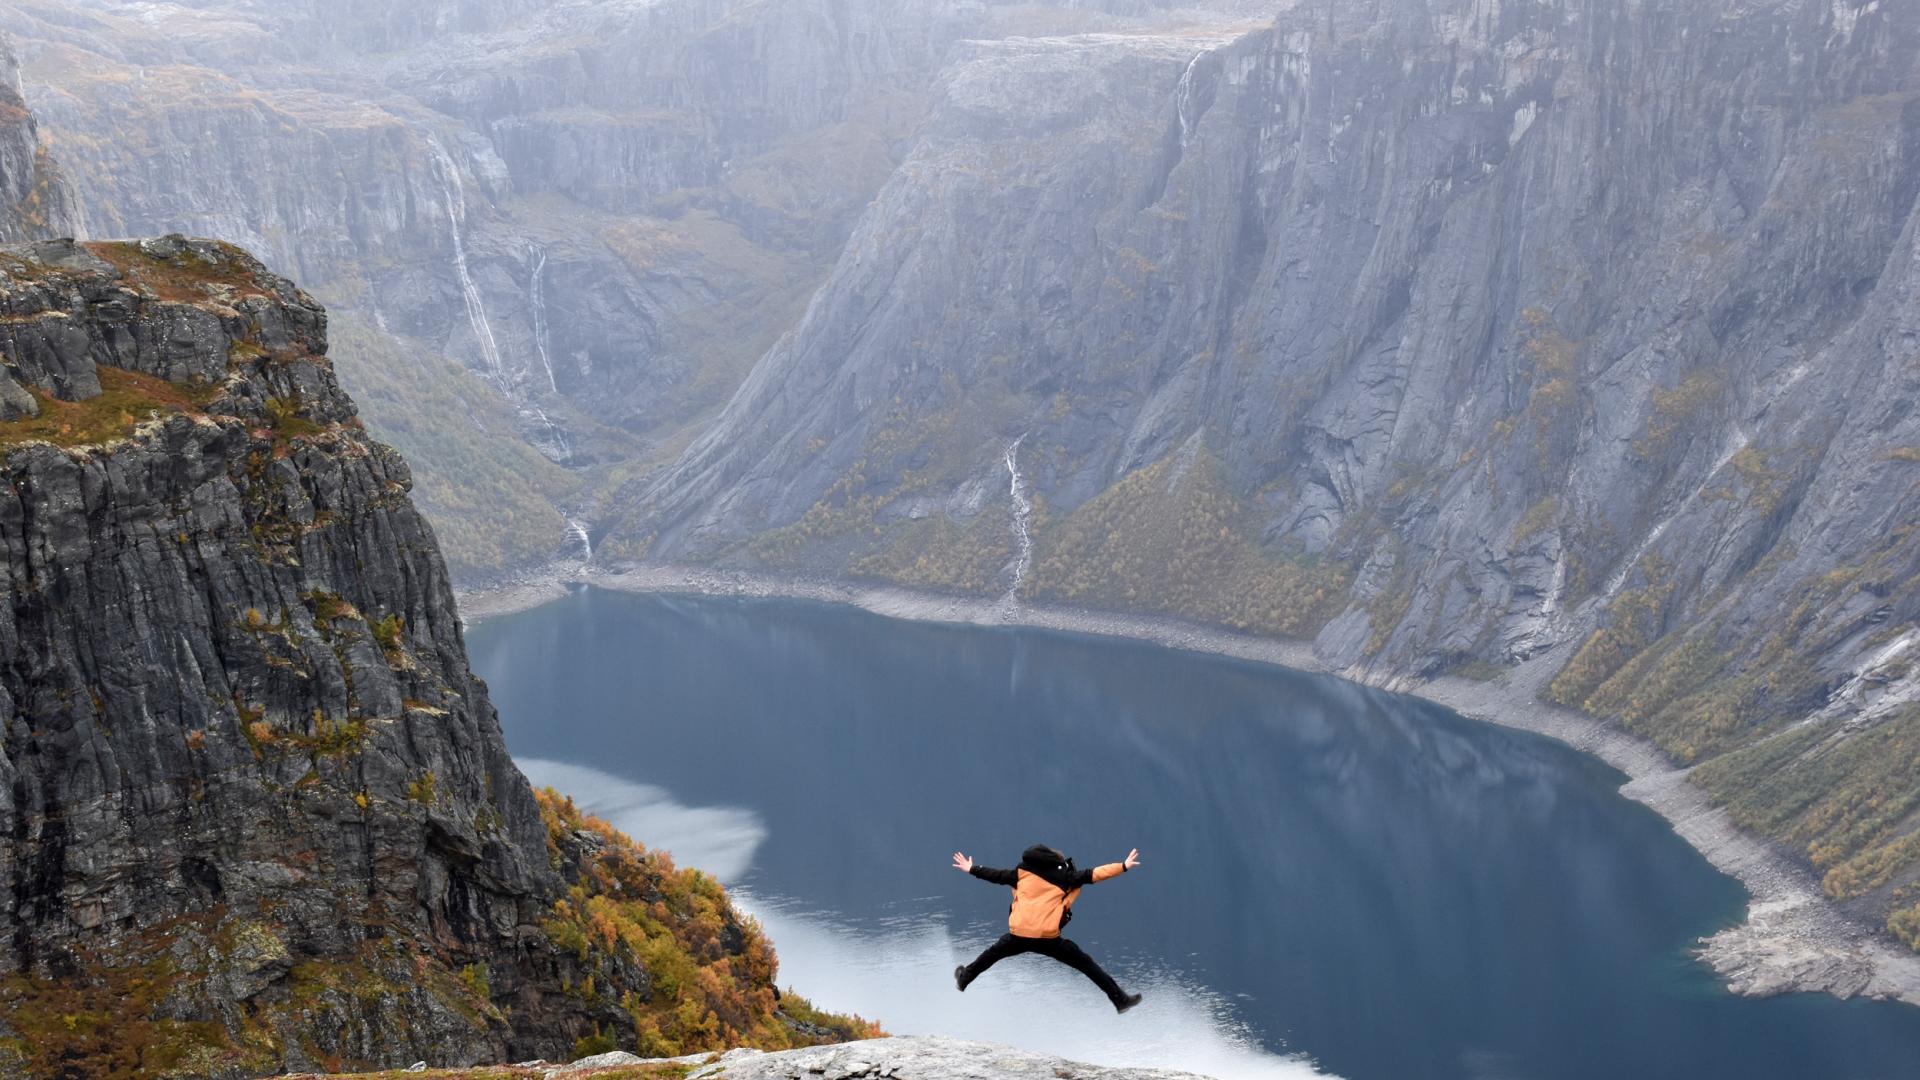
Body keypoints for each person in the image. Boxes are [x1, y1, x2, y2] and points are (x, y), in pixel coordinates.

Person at [950, 843, 1144, 1013]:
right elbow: (1094, 874)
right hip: (1047, 938)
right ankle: (1120, 1000)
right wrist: (1123, 866)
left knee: (990, 955)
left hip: (1019, 935)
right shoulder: (1064, 876)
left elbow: (994, 875)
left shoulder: (1020, 874)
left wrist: (971, 868)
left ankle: (964, 978)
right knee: (1087, 965)